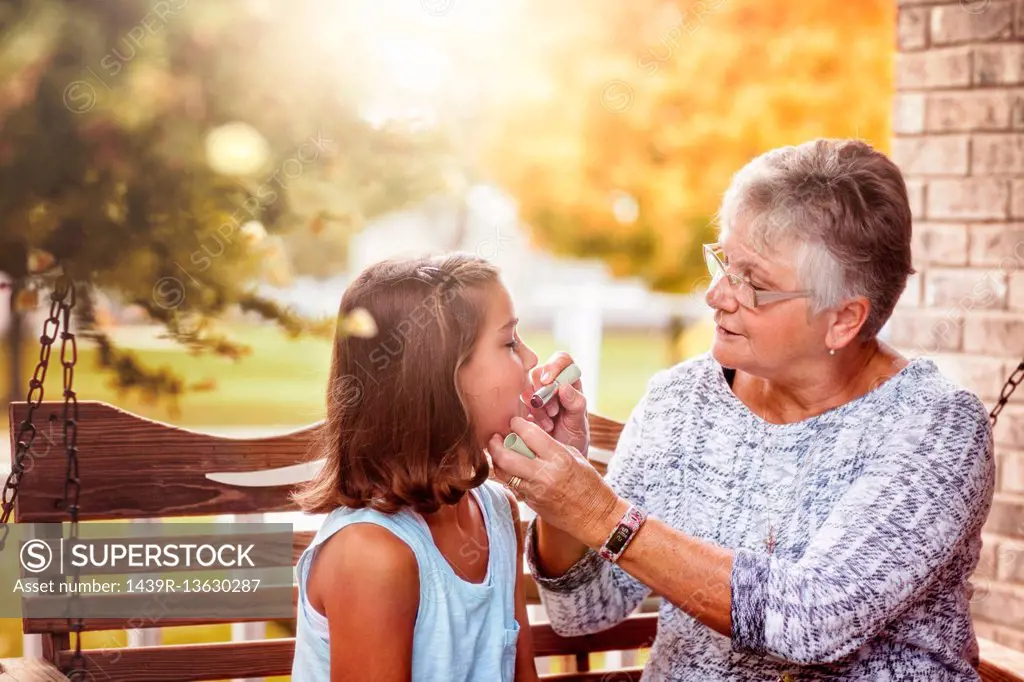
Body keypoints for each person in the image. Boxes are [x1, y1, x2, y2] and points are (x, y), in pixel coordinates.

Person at [490, 138, 996, 681]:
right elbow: (583, 609)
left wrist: (600, 513)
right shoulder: (682, 402)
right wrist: (562, 494)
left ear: (844, 319)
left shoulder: (936, 429)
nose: (717, 295)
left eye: (753, 283)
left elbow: (811, 621)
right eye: (724, 262)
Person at [290, 254, 541, 682]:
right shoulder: (371, 555)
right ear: (443, 378)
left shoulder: (497, 512)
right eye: (510, 342)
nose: (532, 359)